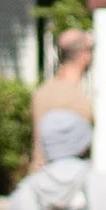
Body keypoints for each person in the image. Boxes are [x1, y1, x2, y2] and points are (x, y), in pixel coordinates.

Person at [26, 24, 95, 168]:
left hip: (40, 178)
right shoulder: (78, 100)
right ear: (84, 56)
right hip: (66, 183)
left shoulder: (41, 92)